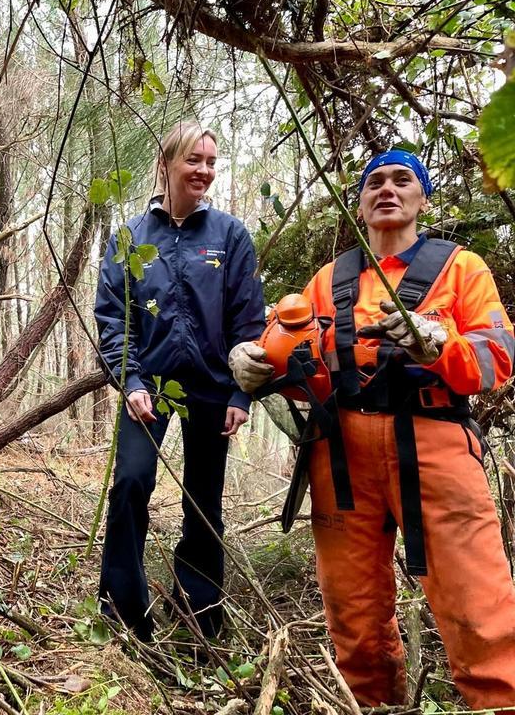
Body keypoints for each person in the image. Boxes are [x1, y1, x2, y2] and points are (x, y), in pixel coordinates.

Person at [230, 149, 515, 707]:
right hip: (340, 456)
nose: (387, 188)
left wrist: (440, 345)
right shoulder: (328, 280)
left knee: (479, 608)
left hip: (436, 445)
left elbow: (498, 358)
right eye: (374, 182)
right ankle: (374, 703)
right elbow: (297, 365)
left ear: (422, 198)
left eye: (402, 180)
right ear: (359, 204)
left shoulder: (461, 268)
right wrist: (253, 365)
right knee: (354, 616)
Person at [94, 121, 266, 641]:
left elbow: (248, 320)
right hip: (149, 386)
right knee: (130, 483)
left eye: (212, 162)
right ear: (166, 163)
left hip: (213, 389)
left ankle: (200, 613)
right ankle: (123, 611)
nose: (205, 171)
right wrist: (131, 381)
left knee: (203, 498)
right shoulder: (130, 237)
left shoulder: (230, 236)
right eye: (194, 160)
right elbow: (113, 316)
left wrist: (241, 392)